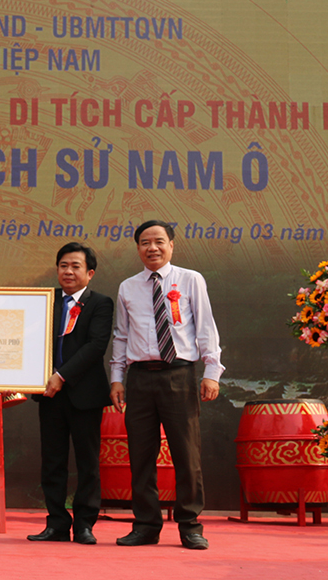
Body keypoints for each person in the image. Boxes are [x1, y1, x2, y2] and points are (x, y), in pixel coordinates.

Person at [109, 220, 223, 550]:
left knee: (186, 454)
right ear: (138, 249)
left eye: (159, 241)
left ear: (172, 245)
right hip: (141, 378)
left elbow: (205, 327)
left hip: (179, 374)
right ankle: (145, 524)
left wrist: (211, 372)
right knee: (140, 456)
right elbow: (121, 335)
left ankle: (190, 525)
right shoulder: (127, 287)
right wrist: (117, 379)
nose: (152, 248)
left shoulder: (190, 280)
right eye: (145, 242)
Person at [28, 242, 114, 545]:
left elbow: (95, 347)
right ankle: (56, 524)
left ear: (89, 273)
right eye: (63, 265)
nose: (68, 271)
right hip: (49, 395)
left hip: (84, 394)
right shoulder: (44, 301)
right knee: (52, 461)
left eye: (76, 266)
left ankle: (84, 525)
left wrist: (61, 376)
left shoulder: (101, 303)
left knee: (88, 461)